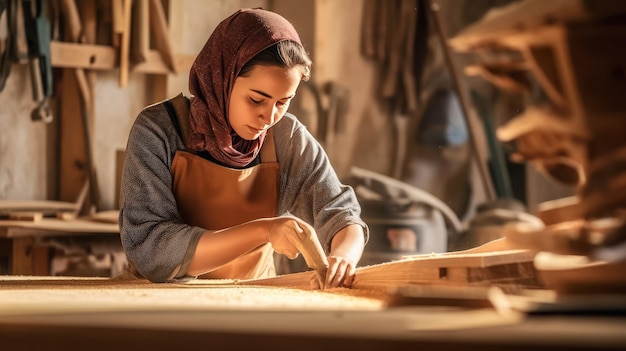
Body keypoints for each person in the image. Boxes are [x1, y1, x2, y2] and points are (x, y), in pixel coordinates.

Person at [118, 8, 369, 288]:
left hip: (253, 299)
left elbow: (341, 212)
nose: (270, 116)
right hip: (159, 302)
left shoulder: (286, 137)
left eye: (283, 102)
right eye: (256, 99)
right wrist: (263, 230)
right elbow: (151, 249)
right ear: (222, 79)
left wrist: (344, 256)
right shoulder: (159, 130)